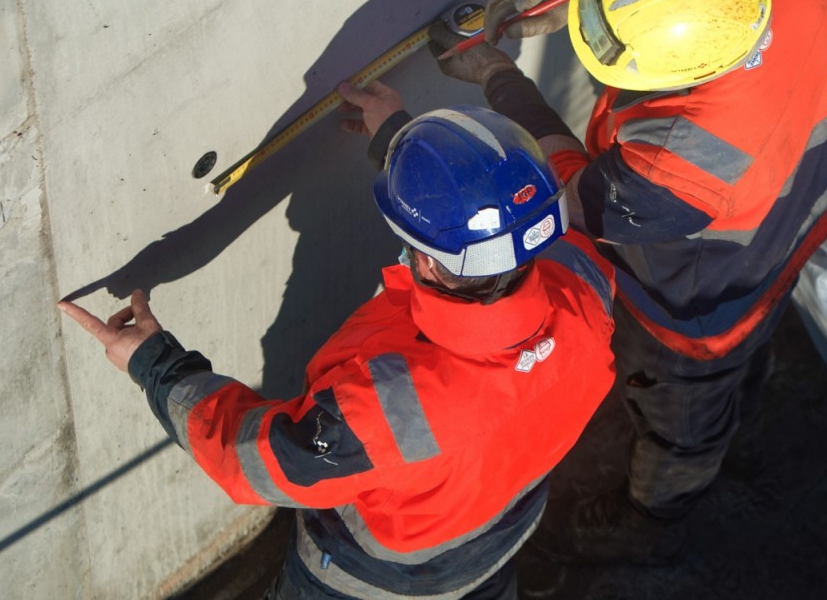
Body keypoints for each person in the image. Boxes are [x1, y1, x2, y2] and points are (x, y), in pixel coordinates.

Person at [58, 84, 616, 600]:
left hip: (376, 582)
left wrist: (153, 363)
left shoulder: (385, 410)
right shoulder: (585, 290)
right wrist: (404, 147)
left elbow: (247, 461)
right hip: (500, 540)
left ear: (427, 260)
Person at [434, 0, 827, 564]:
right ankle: (745, 411)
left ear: (686, 73)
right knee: (754, 358)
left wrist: (496, 75)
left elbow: (567, 189)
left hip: (706, 305)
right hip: (800, 214)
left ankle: (651, 512)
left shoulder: (676, 162)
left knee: (683, 422)